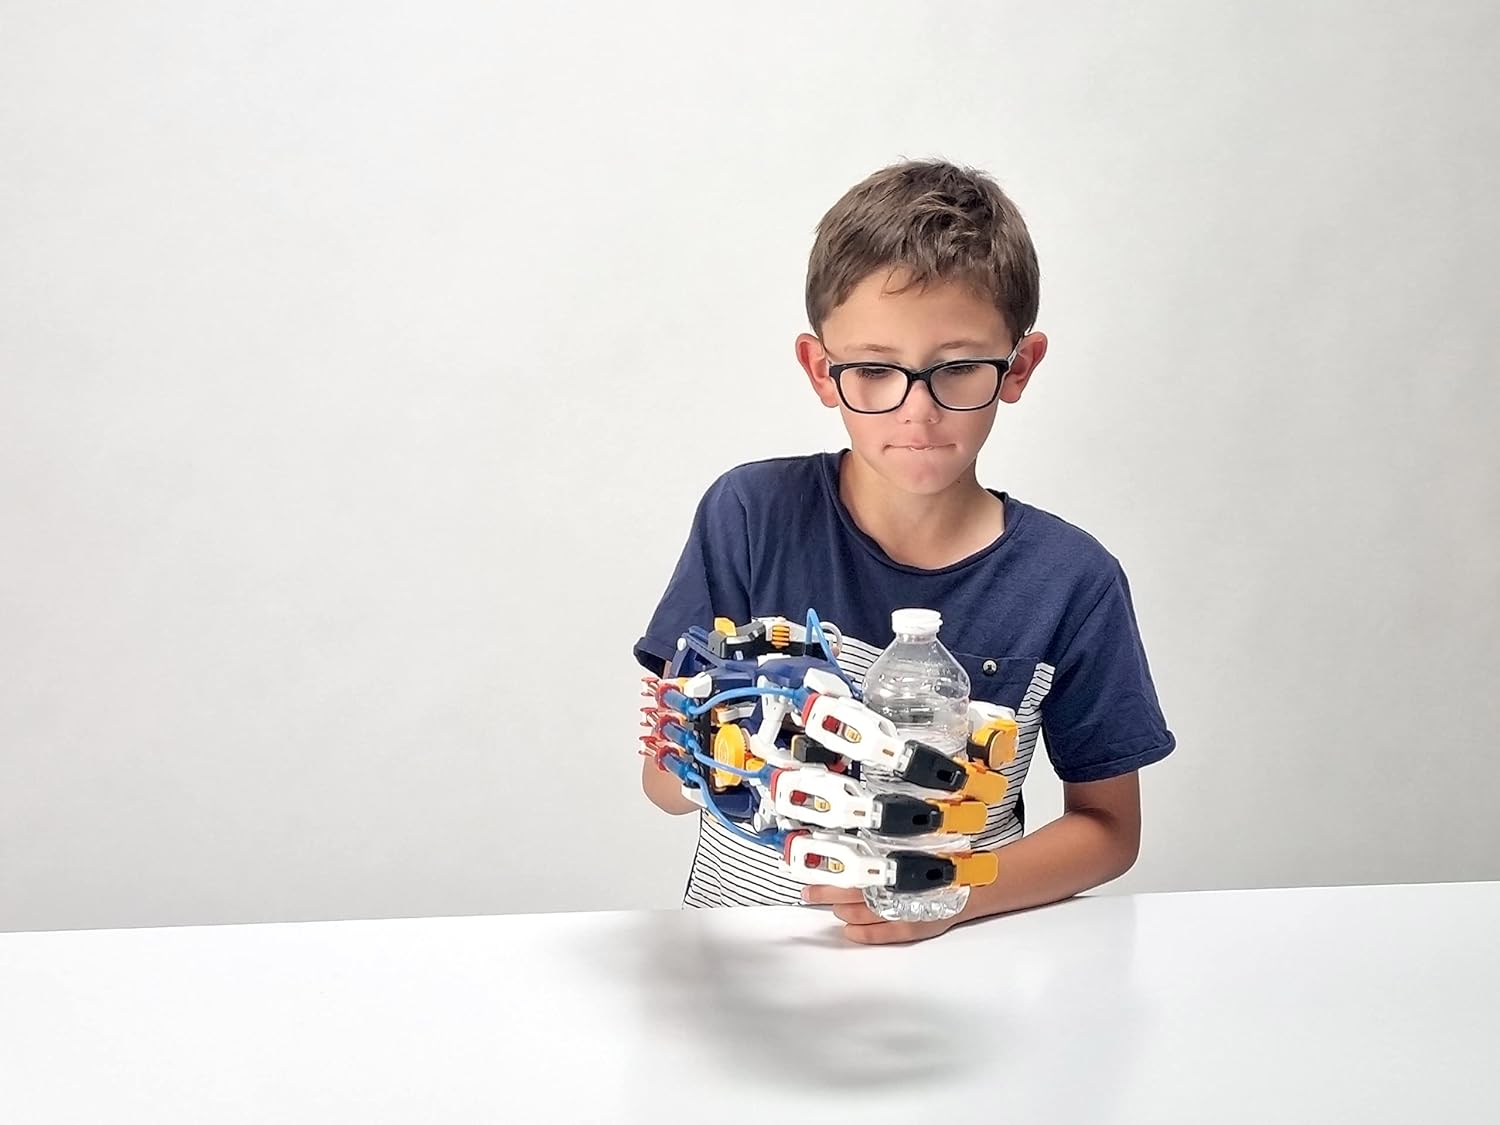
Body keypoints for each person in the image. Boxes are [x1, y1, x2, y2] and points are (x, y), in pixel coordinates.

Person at [633, 159, 1176, 944]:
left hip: (958, 966)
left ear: (1018, 367)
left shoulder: (1071, 580)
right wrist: (710, 754)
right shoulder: (750, 515)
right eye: (874, 369)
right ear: (822, 370)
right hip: (740, 955)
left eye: (957, 368)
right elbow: (662, 782)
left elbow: (1109, 829)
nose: (915, 410)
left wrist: (945, 893)